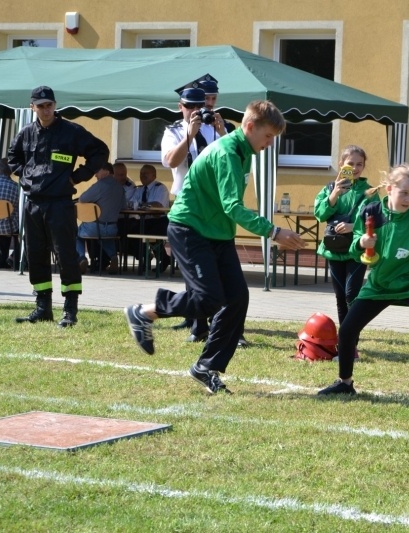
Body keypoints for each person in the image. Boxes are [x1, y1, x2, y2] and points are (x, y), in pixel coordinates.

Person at [123, 100, 307, 394]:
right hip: (190, 229)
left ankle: (206, 367)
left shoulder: (243, 151)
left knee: (236, 298)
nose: (270, 143)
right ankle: (145, 312)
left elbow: (226, 206)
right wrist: (274, 231)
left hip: (217, 234)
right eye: (268, 136)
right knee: (207, 299)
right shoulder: (227, 153)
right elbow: (233, 207)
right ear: (250, 127)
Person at [317, 163, 409, 408]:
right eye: (404, 192)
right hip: (379, 285)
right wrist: (362, 242)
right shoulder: (370, 211)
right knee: (348, 329)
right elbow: (355, 247)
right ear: (389, 188)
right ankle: (345, 382)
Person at [7, 85, 109, 328]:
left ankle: (70, 310)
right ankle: (43, 307)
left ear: (55, 105)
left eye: (49, 105)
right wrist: (25, 176)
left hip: (60, 203)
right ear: (32, 107)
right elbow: (13, 157)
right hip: (33, 203)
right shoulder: (26, 133)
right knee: (35, 253)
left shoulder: (71, 132)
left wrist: (77, 177)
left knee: (66, 255)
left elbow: (99, 151)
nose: (45, 110)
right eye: (40, 106)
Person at [161, 80, 238, 343]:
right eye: (190, 106)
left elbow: (234, 162)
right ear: (180, 107)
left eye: (200, 105)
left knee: (219, 265)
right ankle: (197, 323)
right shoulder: (174, 131)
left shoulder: (220, 129)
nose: (195, 110)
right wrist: (189, 136)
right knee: (195, 268)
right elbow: (171, 161)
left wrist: (222, 132)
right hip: (187, 205)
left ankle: (221, 323)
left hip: (216, 205)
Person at [313, 145, 379, 358]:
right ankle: (346, 343)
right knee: (341, 297)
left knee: (353, 295)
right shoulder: (331, 188)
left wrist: (354, 228)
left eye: (359, 164)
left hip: (356, 251)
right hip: (334, 251)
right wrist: (334, 195)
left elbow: (377, 222)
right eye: (351, 164)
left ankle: (350, 343)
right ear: (341, 165)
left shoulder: (369, 192)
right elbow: (320, 214)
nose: (355, 168)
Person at [76, 162, 126, 274]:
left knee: (76, 234)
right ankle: (113, 257)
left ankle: (81, 258)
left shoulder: (100, 185)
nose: (95, 175)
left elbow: (82, 199)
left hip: (96, 227)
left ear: (106, 172)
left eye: (97, 172)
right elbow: (124, 206)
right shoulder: (120, 187)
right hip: (113, 228)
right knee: (104, 238)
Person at [120, 164, 171, 274]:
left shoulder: (160, 188)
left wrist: (142, 204)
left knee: (148, 233)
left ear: (154, 175)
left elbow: (158, 205)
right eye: (141, 174)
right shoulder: (139, 189)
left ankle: (163, 258)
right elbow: (131, 203)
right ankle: (144, 258)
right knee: (129, 232)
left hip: (159, 221)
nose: (142, 176)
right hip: (143, 220)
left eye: (145, 174)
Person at [0, 161, 20, 269]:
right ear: (10, 173)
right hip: (8, 227)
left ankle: (1, 261)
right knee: (14, 223)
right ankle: (12, 260)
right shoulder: (16, 187)